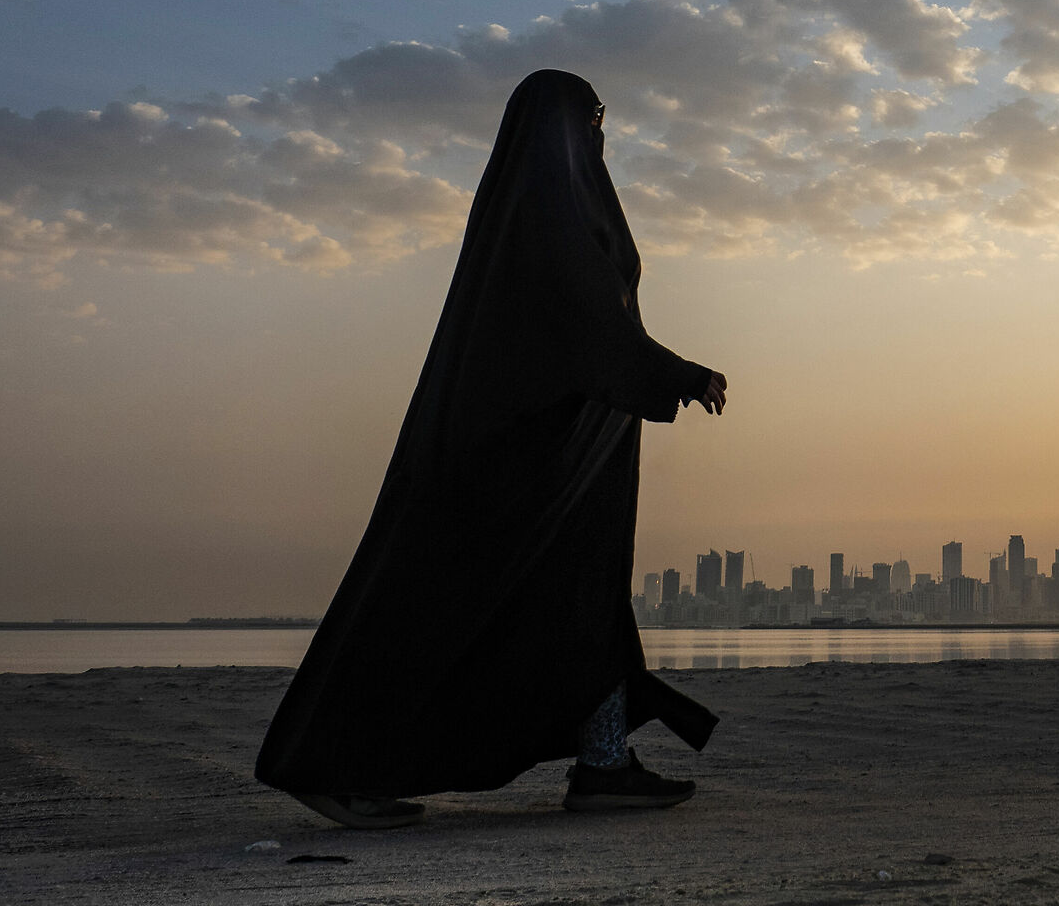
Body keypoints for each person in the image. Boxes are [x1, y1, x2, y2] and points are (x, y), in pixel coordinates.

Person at [255, 69, 728, 828]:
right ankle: (332, 765)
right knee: (429, 616)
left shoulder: (533, 214)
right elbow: (588, 324)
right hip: (516, 468)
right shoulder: (548, 215)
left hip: (554, 466)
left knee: (579, 601)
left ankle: (604, 764)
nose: (601, 134)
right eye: (592, 118)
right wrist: (680, 374)